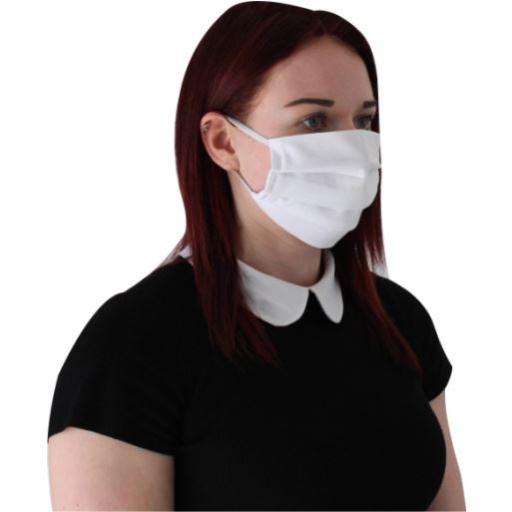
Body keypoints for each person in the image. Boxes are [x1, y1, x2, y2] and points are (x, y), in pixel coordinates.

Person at [47, 2, 466, 510]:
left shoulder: (399, 321)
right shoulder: (134, 345)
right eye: (313, 120)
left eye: (364, 120)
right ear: (223, 142)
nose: (350, 147)